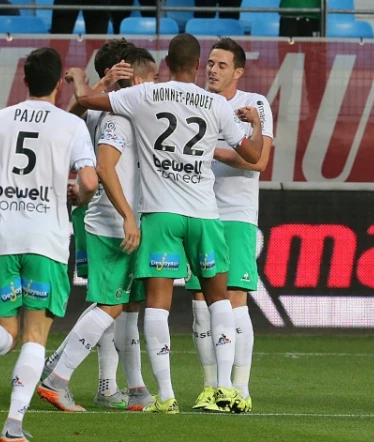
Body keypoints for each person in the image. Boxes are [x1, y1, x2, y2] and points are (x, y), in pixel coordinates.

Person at [67, 32, 264, 414]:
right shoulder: (215, 103)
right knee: (218, 297)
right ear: (197, 65)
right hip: (206, 213)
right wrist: (254, 124)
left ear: (167, 63)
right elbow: (255, 154)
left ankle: (167, 395)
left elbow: (88, 101)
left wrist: (82, 80)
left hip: (161, 214)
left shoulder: (147, 94)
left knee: (156, 304)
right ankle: (224, 387)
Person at [0, 47, 97, 442]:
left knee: (8, 332)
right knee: (35, 336)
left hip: (1, 236)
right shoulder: (70, 125)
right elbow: (88, 182)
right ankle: (13, 426)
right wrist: (78, 199)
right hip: (45, 240)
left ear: (24, 80)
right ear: (57, 84)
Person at [38, 47, 159, 413]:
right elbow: (105, 169)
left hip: (127, 219)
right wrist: (126, 215)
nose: (157, 86)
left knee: (125, 305)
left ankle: (133, 387)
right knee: (111, 303)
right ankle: (58, 376)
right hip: (111, 221)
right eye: (152, 78)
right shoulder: (116, 119)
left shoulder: (127, 115)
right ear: (137, 80)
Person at [187, 38, 273, 413]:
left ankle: (240, 388)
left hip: (236, 213)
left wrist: (209, 150)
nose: (212, 70)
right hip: (200, 210)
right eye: (210, 63)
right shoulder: (193, 101)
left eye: (222, 65)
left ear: (238, 71)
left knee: (234, 298)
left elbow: (258, 162)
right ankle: (211, 387)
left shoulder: (254, 104)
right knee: (199, 303)